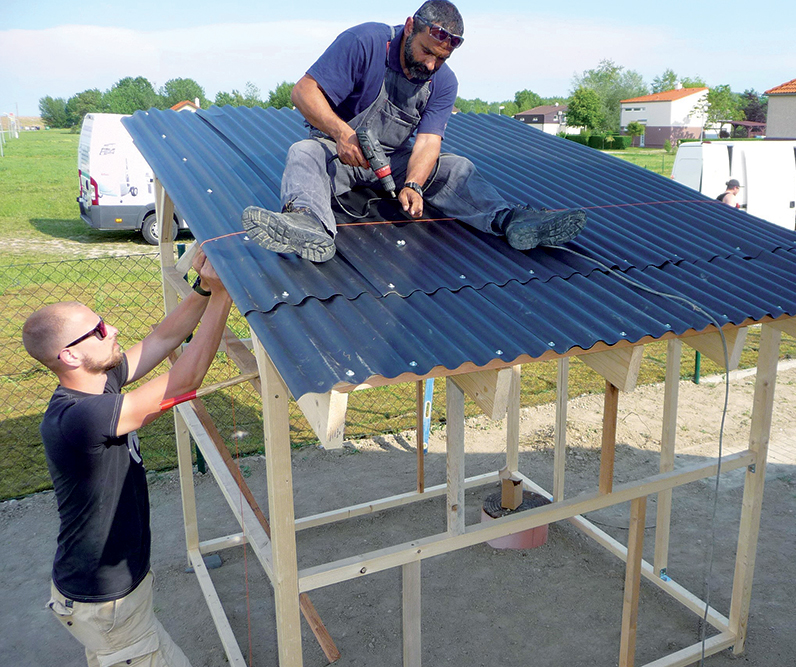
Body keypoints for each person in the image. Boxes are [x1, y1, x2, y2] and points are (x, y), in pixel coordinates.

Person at [241, 0, 586, 263]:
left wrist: (414, 185)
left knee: (456, 167)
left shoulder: (443, 82)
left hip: (393, 163)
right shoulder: (365, 42)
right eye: (426, 52)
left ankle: (510, 221)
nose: (431, 65)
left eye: (441, 60)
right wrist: (341, 133)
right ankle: (308, 225)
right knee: (304, 153)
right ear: (409, 27)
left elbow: (428, 142)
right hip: (341, 155)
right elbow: (303, 91)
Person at [22, 249, 232, 667]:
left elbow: (164, 338)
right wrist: (225, 295)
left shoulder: (98, 381)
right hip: (106, 603)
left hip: (103, 599)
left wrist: (204, 289)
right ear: (69, 356)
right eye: (98, 330)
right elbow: (185, 379)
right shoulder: (78, 418)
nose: (112, 328)